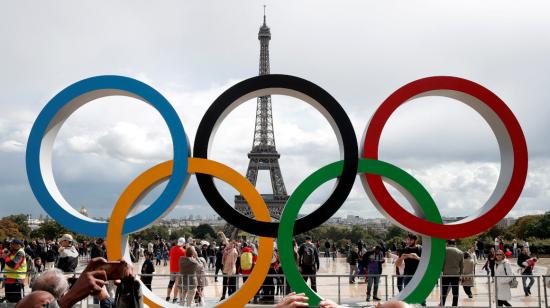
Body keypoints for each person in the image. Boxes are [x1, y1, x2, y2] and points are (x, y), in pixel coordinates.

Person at [397, 234, 425, 306]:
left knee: (421, 296)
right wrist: (401, 258)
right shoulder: (404, 250)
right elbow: (398, 264)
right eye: (407, 239)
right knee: (408, 296)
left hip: (420, 275)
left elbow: (426, 262)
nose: (408, 241)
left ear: (415, 240)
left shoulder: (421, 249)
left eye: (410, 240)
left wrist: (417, 257)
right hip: (408, 276)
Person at [440, 239, 463, 306]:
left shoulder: (444, 250)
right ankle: (454, 305)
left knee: (444, 292)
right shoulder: (460, 252)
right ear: (454, 244)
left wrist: (442, 270)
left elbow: (441, 263)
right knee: (455, 293)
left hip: (445, 275)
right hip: (455, 275)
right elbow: (461, 266)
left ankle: (442, 305)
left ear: (448, 243)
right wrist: (460, 275)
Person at [166, 237, 186, 303]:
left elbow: (169, 257)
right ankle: (175, 298)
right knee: (177, 285)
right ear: (183, 243)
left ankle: (168, 296)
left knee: (171, 283)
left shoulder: (172, 248)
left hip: (172, 269)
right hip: (179, 270)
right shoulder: (183, 251)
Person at [220, 234, 238, 301]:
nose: (230, 244)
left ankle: (233, 297)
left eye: (232, 244)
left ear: (234, 245)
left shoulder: (234, 251)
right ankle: (223, 296)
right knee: (224, 283)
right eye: (230, 243)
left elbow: (235, 261)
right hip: (226, 268)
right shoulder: (227, 249)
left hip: (231, 269)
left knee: (232, 283)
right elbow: (225, 240)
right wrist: (223, 234)